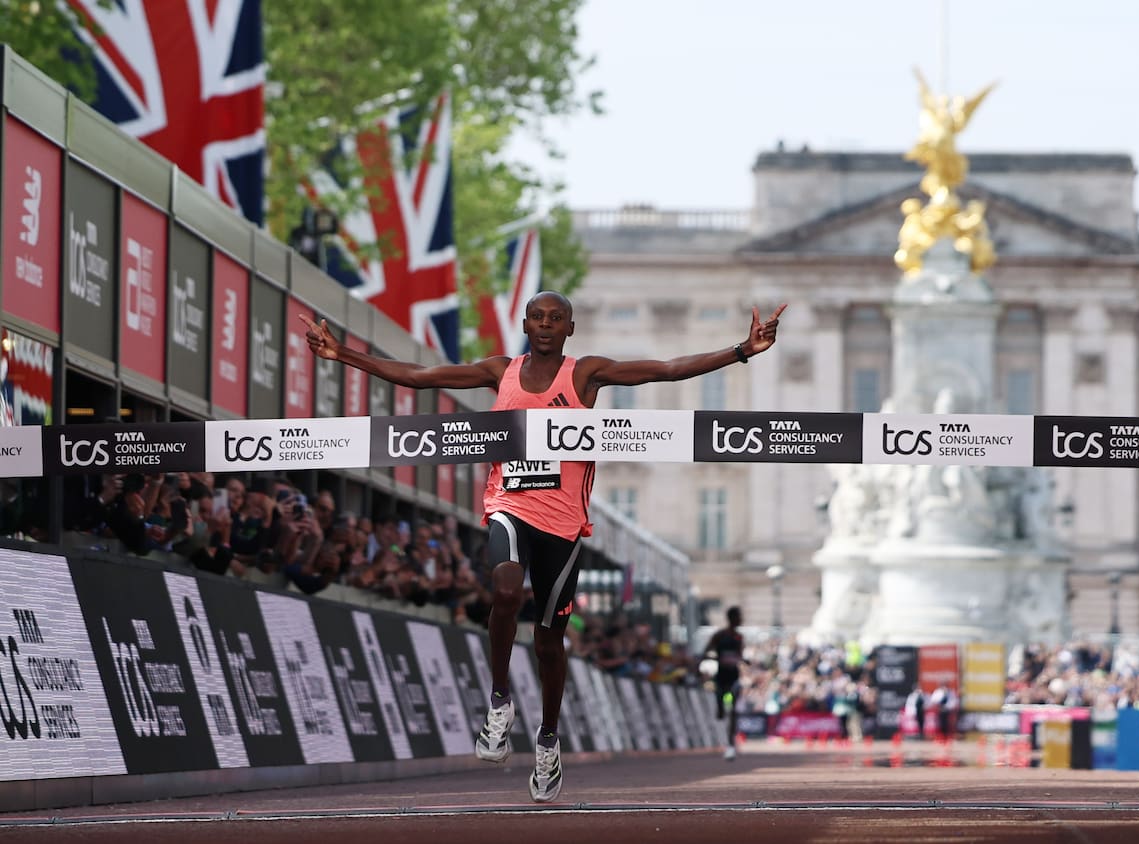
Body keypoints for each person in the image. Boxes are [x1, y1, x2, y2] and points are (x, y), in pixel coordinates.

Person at [302, 290, 785, 802]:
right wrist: (343, 355)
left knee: (550, 641)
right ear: (526, 325)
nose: (546, 324)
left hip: (564, 525)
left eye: (556, 318)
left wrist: (740, 351)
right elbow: (424, 376)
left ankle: (548, 739)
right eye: (537, 317)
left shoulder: (585, 374)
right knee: (506, 591)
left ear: (570, 328)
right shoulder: (500, 371)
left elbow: (664, 369)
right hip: (508, 506)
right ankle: (498, 703)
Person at [704, 605, 746, 760]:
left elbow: (740, 654)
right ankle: (720, 708)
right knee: (721, 712)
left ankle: (730, 746)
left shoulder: (739, 637)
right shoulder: (719, 635)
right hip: (721, 677)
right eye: (739, 616)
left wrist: (741, 660)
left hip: (734, 677)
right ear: (732, 618)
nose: (741, 619)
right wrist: (715, 658)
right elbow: (707, 650)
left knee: (733, 711)